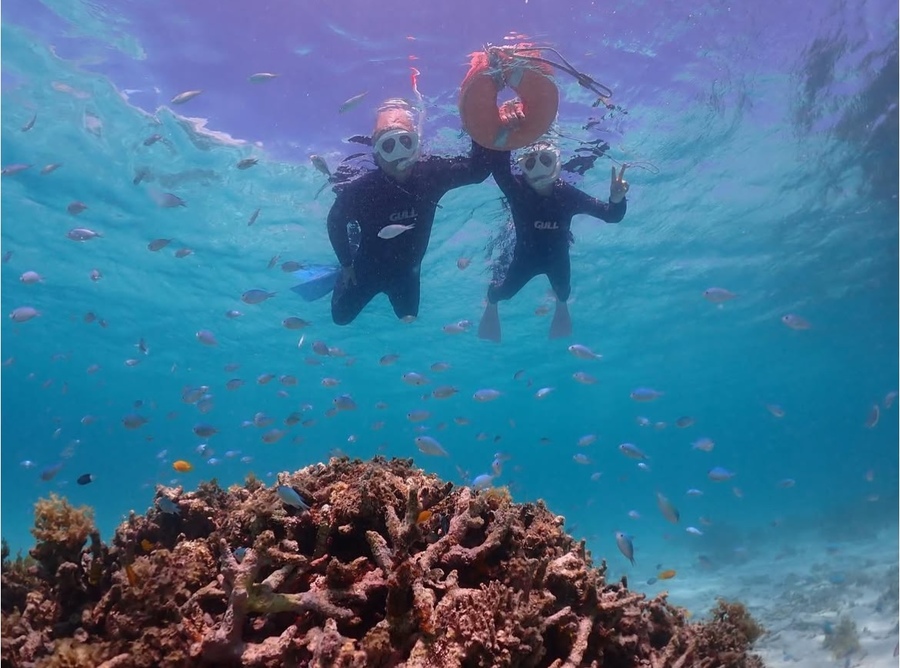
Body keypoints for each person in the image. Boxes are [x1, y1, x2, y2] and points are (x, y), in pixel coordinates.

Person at [327, 98, 494, 325]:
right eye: (388, 145)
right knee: (341, 318)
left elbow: (478, 171)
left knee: (408, 316)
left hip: (406, 273)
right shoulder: (362, 190)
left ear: (416, 144)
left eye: (405, 141)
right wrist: (346, 264)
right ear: (376, 153)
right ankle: (354, 244)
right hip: (364, 269)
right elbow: (335, 222)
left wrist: (480, 117)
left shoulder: (432, 174)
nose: (399, 154)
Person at [478, 139, 629, 342]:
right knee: (501, 294)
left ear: (556, 162)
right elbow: (498, 166)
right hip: (525, 259)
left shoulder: (567, 194)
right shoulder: (516, 189)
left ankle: (561, 305)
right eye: (530, 164)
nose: (538, 170)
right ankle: (491, 304)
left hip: (556, 258)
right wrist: (508, 132)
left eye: (546, 160)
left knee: (563, 293)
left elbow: (611, 215)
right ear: (522, 168)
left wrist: (617, 199)